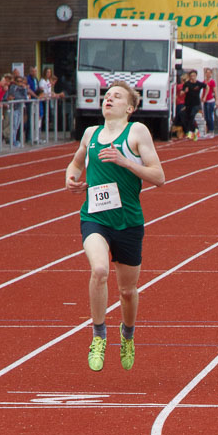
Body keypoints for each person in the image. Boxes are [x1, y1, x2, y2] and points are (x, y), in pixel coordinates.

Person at [66, 81, 166, 371]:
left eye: (117, 96)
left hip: (128, 222)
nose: (108, 99)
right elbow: (74, 164)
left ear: (130, 108)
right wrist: (70, 178)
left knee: (127, 291)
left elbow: (159, 177)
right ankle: (98, 335)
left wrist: (125, 162)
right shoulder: (90, 134)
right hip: (94, 217)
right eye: (107, 96)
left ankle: (128, 335)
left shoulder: (137, 132)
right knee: (98, 270)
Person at [182, 69, 206, 140]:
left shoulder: (199, 84)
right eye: (191, 76)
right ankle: (196, 131)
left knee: (192, 116)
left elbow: (207, 87)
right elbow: (181, 92)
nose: (193, 77)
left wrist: (204, 97)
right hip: (188, 104)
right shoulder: (187, 84)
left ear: (196, 76)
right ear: (189, 76)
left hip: (196, 104)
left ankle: (189, 133)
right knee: (188, 118)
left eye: (194, 75)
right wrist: (184, 91)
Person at [201, 67, 218, 135]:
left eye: (209, 73)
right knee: (206, 115)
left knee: (209, 115)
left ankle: (211, 129)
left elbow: (215, 91)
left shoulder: (212, 81)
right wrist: (202, 97)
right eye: (207, 73)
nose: (208, 74)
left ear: (211, 73)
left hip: (210, 100)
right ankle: (208, 129)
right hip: (205, 100)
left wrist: (216, 100)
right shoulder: (203, 82)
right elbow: (203, 91)